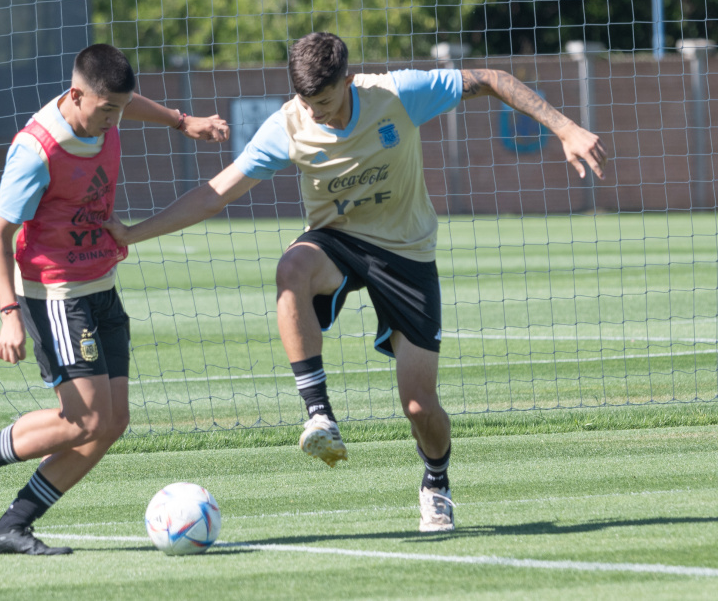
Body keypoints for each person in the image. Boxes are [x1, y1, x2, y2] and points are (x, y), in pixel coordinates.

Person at [104, 32, 607, 533]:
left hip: (407, 252)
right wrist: (131, 233)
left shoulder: (398, 94)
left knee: (419, 406)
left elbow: (493, 80)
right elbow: (215, 195)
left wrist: (565, 129)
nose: (315, 113)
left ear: (347, 80)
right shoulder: (289, 125)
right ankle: (319, 414)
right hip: (337, 242)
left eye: (323, 101)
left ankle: (436, 485)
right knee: (291, 269)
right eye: (306, 102)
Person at [0, 43, 229, 555]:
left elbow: (129, 103)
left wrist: (183, 121)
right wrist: (8, 315)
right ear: (75, 95)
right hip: (55, 294)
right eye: (105, 109)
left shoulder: (109, 108)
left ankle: (11, 527)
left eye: (119, 109)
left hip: (101, 285)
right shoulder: (36, 149)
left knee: (111, 423)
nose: (114, 120)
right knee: (83, 418)